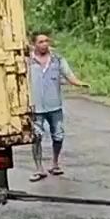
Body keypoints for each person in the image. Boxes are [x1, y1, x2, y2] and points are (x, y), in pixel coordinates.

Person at [27, 33, 84, 180]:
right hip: (36, 107)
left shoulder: (57, 60)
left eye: (46, 41)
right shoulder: (27, 62)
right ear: (34, 44)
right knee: (36, 137)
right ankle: (39, 168)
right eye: (40, 42)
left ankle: (55, 163)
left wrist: (78, 83)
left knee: (58, 136)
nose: (44, 44)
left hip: (54, 106)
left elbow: (68, 75)